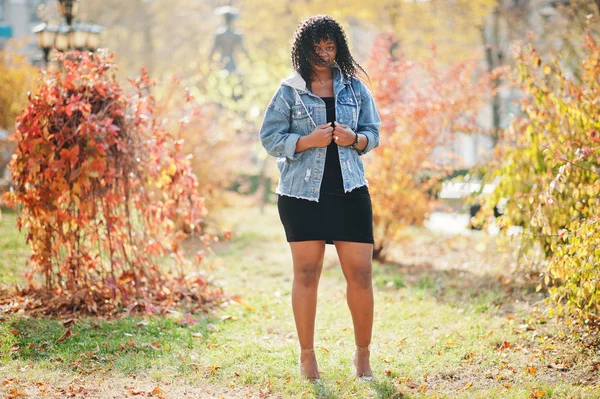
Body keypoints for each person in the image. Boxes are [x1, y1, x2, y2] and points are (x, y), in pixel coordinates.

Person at [258, 15, 381, 382]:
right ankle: (307, 357)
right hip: (301, 195)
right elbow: (269, 137)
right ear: (304, 50)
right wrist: (306, 141)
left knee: (361, 273)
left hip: (350, 193)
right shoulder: (289, 91)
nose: (325, 55)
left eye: (331, 48)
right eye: (318, 49)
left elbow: (372, 133)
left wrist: (354, 139)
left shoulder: (355, 89)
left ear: (339, 48)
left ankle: (363, 357)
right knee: (307, 274)